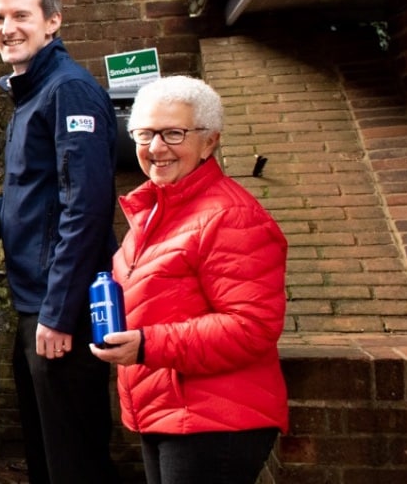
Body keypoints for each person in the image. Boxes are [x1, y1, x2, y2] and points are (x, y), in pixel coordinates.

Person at [0, 0, 121, 484]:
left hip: (60, 306)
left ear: (52, 22)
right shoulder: (32, 93)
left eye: (21, 15)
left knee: (73, 459)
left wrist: (59, 313)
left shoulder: (70, 93)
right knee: (46, 452)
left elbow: (84, 209)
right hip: (37, 303)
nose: (7, 27)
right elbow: (44, 196)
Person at [89, 76, 288, 484]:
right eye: (144, 133)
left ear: (209, 142)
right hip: (169, 411)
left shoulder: (231, 216)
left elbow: (253, 327)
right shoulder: (156, 210)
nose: (156, 148)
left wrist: (148, 345)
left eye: (174, 133)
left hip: (216, 421)